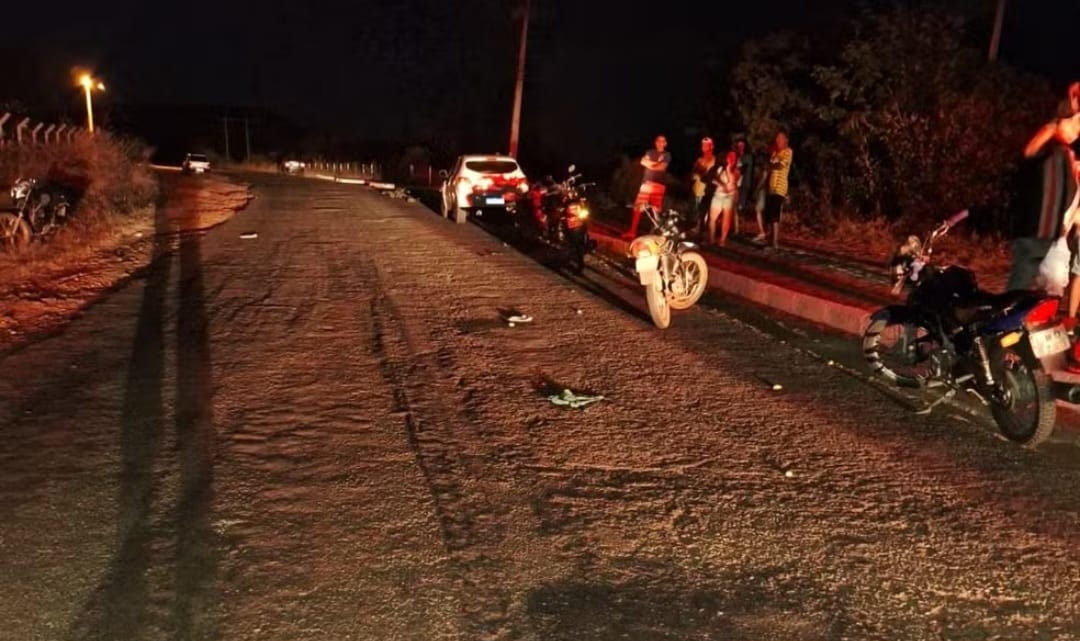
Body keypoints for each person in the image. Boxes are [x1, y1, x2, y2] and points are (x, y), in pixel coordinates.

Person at [1006, 112, 1080, 292]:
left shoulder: (1071, 165)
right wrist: (1055, 126)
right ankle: (1013, 318)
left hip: (1056, 236)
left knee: (1053, 285)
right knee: (1020, 288)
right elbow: (1029, 151)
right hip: (1035, 231)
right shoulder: (1051, 151)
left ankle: (1028, 316)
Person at [623, 135, 671, 240]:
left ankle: (658, 234)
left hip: (659, 185)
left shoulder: (667, 155)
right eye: (658, 140)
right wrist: (656, 163)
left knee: (656, 210)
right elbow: (642, 162)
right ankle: (632, 232)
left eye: (663, 141)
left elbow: (661, 167)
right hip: (646, 183)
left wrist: (650, 164)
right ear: (655, 142)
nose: (660, 142)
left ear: (665, 143)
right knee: (638, 207)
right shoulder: (649, 152)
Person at [762, 130, 793, 249]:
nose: (778, 140)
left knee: (775, 214)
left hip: (780, 187)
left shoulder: (788, 151)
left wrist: (771, 165)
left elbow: (780, 165)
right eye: (777, 138)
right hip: (771, 186)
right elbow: (769, 167)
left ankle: (775, 241)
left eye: (780, 138)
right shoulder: (775, 153)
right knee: (769, 214)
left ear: (786, 140)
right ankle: (769, 239)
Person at [708, 151, 740, 246]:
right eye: (729, 156)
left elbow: (732, 180)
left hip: (728, 197)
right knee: (712, 218)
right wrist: (721, 184)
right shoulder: (720, 168)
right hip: (718, 195)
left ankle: (722, 240)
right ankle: (712, 239)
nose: (731, 159)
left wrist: (728, 168)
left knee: (726, 219)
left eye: (733, 157)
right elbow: (713, 179)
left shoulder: (736, 171)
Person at [690, 138, 718, 236]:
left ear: (712, 146)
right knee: (696, 209)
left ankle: (702, 229)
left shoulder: (714, 160)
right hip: (697, 188)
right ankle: (697, 227)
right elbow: (694, 173)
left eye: (707, 145)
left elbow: (710, 175)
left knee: (704, 210)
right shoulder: (699, 160)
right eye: (703, 145)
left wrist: (701, 171)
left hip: (706, 189)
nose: (704, 147)